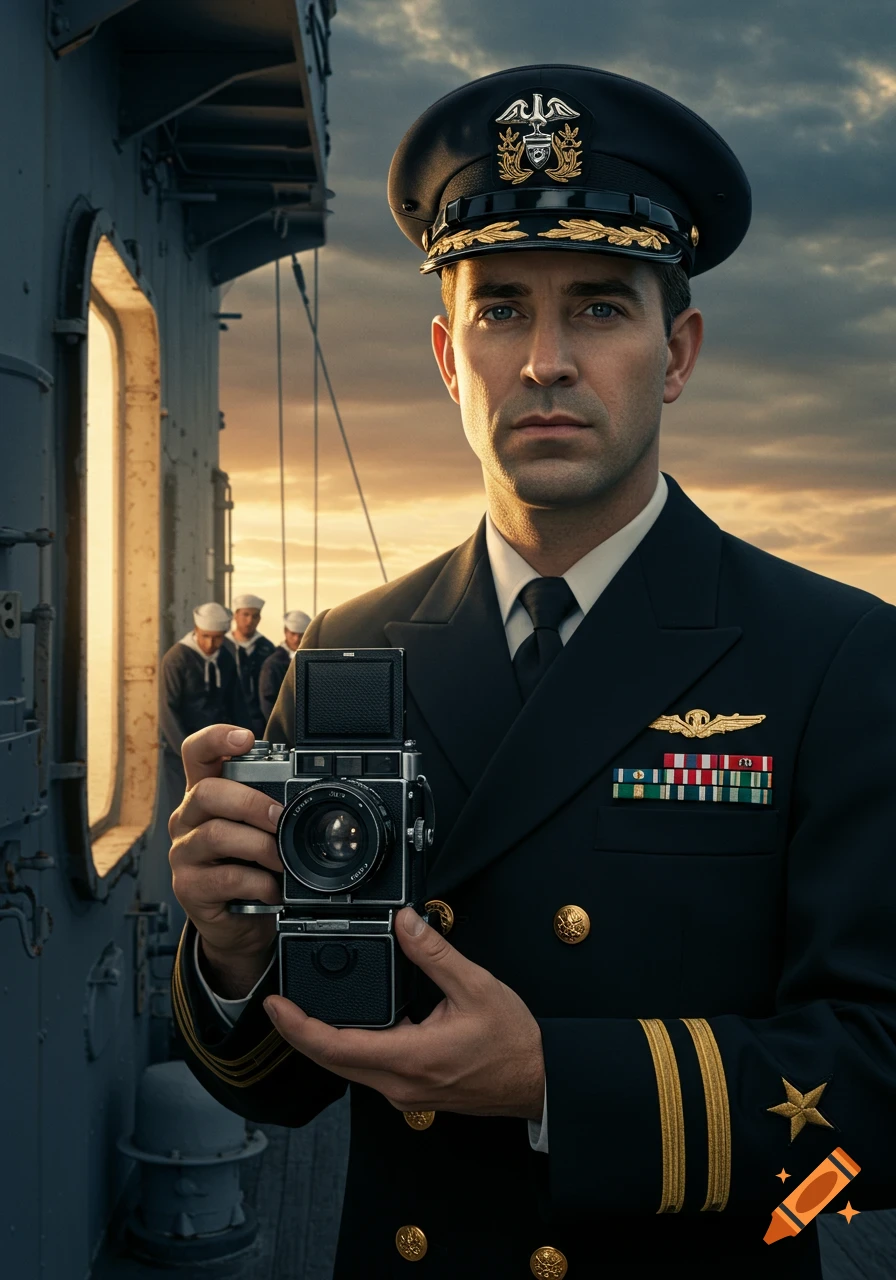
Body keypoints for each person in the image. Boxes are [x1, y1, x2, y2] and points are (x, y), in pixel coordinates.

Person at [167, 65, 896, 1280]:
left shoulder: (832, 654)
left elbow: (875, 1087)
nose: (545, 360)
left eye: (599, 308)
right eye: (501, 310)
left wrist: (553, 1078)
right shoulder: (347, 649)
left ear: (676, 352)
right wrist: (232, 953)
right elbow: (281, 1088)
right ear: (448, 359)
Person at [159, 602, 250, 802]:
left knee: (215, 805)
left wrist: (246, 743)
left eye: (217, 638)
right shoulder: (176, 659)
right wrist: (185, 751)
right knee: (184, 804)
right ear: (196, 630)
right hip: (181, 752)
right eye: (205, 636)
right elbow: (167, 711)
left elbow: (236, 704)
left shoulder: (225, 658)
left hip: (218, 752)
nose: (210, 644)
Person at [224, 593, 275, 738]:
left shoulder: (266, 648)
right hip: (227, 718)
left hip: (258, 719)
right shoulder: (223, 645)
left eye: (255, 616)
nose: (249, 621)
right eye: (245, 615)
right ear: (236, 615)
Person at [258, 609, 311, 723]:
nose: (296, 639)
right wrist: (278, 725)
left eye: (301, 635)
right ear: (286, 631)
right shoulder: (273, 663)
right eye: (293, 634)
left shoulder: (312, 660)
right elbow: (268, 700)